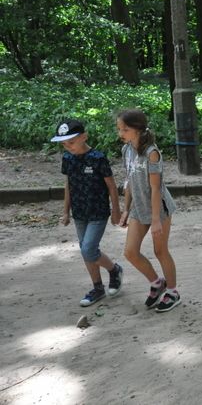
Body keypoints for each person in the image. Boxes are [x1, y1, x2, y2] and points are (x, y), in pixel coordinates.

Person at [51, 119, 123, 307]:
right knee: (86, 251)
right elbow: (68, 185)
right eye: (64, 144)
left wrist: (116, 210)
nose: (68, 147)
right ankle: (98, 288)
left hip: (98, 212)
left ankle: (114, 270)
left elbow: (112, 186)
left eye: (71, 142)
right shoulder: (67, 159)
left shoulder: (98, 158)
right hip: (79, 213)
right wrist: (65, 211)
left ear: (84, 136)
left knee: (88, 249)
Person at [117, 109, 181, 313]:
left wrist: (155, 220)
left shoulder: (152, 153)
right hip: (138, 207)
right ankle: (156, 282)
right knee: (130, 252)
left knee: (160, 251)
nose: (120, 133)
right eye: (119, 129)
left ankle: (172, 292)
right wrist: (126, 210)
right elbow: (129, 181)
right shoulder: (127, 150)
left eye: (125, 129)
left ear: (137, 129)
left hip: (158, 209)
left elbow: (155, 188)